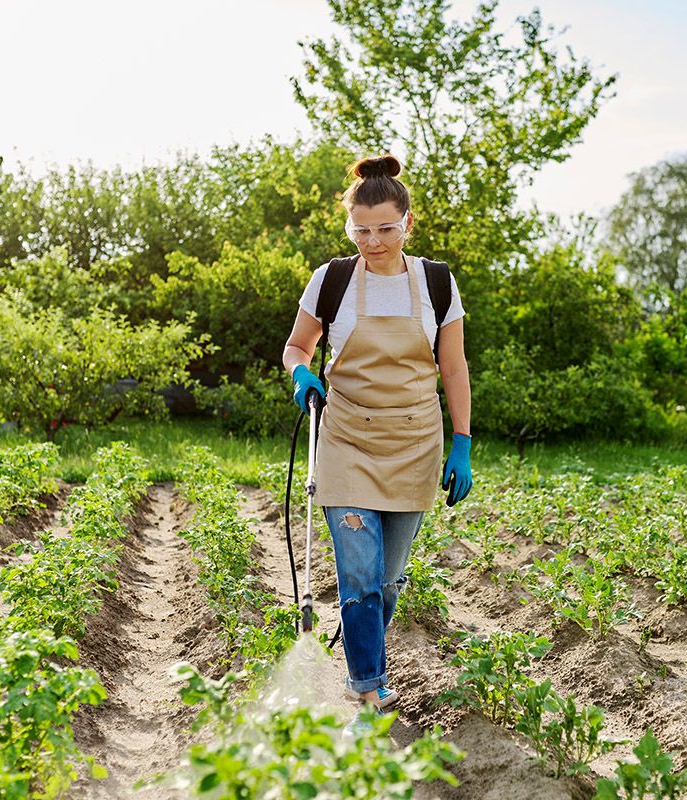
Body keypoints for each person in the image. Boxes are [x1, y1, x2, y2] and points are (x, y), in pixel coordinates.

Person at [282, 154, 473, 727]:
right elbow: (297, 346)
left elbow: (455, 368)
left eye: (386, 228)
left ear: (407, 224)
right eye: (361, 230)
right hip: (346, 438)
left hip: (414, 440)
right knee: (360, 574)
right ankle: (369, 688)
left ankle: (360, 664)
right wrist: (301, 374)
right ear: (349, 228)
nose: (373, 241)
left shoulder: (436, 282)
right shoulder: (332, 279)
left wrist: (461, 440)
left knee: (387, 582)